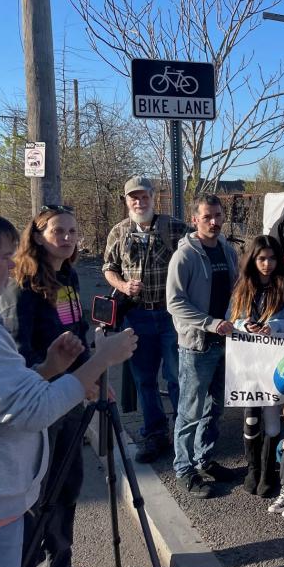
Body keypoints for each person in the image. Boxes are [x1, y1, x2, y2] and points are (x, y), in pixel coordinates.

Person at [0, 212, 136, 567]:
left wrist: (49, 369)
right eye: (2, 256)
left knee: (65, 486)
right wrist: (103, 360)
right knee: (43, 500)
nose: (11, 263)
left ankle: (59, 563)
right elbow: (33, 409)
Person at [0, 206, 91, 567]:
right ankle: (26, 564)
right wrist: (57, 375)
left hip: (71, 396)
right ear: (37, 235)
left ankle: (61, 565)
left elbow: (78, 334)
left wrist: (92, 378)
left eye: (71, 231)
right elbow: (19, 352)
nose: (66, 238)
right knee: (38, 491)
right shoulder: (22, 284)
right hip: (41, 400)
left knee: (68, 485)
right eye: (58, 231)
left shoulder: (69, 276)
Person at [103, 175, 188, 463]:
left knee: (176, 377)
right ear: (126, 201)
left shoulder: (175, 227)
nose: (139, 202)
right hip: (137, 315)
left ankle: (183, 433)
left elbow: (194, 257)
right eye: (133, 197)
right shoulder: (118, 232)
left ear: (154, 197)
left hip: (170, 315)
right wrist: (123, 286)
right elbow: (109, 268)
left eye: (144, 196)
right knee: (145, 379)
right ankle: (155, 433)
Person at [167, 194, 240, 499]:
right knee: (190, 410)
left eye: (218, 215)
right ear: (195, 219)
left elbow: (236, 290)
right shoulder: (184, 256)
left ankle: (204, 459)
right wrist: (210, 323)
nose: (214, 221)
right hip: (197, 346)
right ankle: (184, 469)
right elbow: (174, 302)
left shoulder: (228, 250)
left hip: (226, 344)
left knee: (215, 407)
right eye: (207, 216)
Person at [229, 235, 284, 497]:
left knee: (273, 422)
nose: (267, 264)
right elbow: (231, 319)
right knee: (251, 419)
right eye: (262, 258)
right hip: (248, 365)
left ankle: (267, 471)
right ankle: (252, 469)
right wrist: (243, 325)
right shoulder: (242, 287)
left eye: (272, 258)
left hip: (275, 365)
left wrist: (275, 326)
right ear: (253, 259)